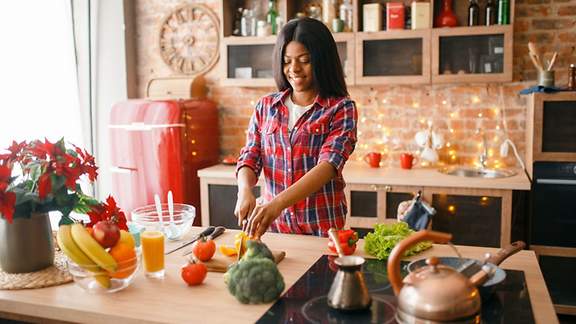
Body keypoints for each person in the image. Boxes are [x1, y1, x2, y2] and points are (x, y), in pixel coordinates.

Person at [234, 17, 358, 239]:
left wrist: (277, 204)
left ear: (322, 60)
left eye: (305, 60)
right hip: (274, 228)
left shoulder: (341, 108)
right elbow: (250, 156)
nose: (294, 69)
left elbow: (329, 165)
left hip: (321, 227)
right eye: (287, 61)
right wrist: (244, 190)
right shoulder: (266, 106)